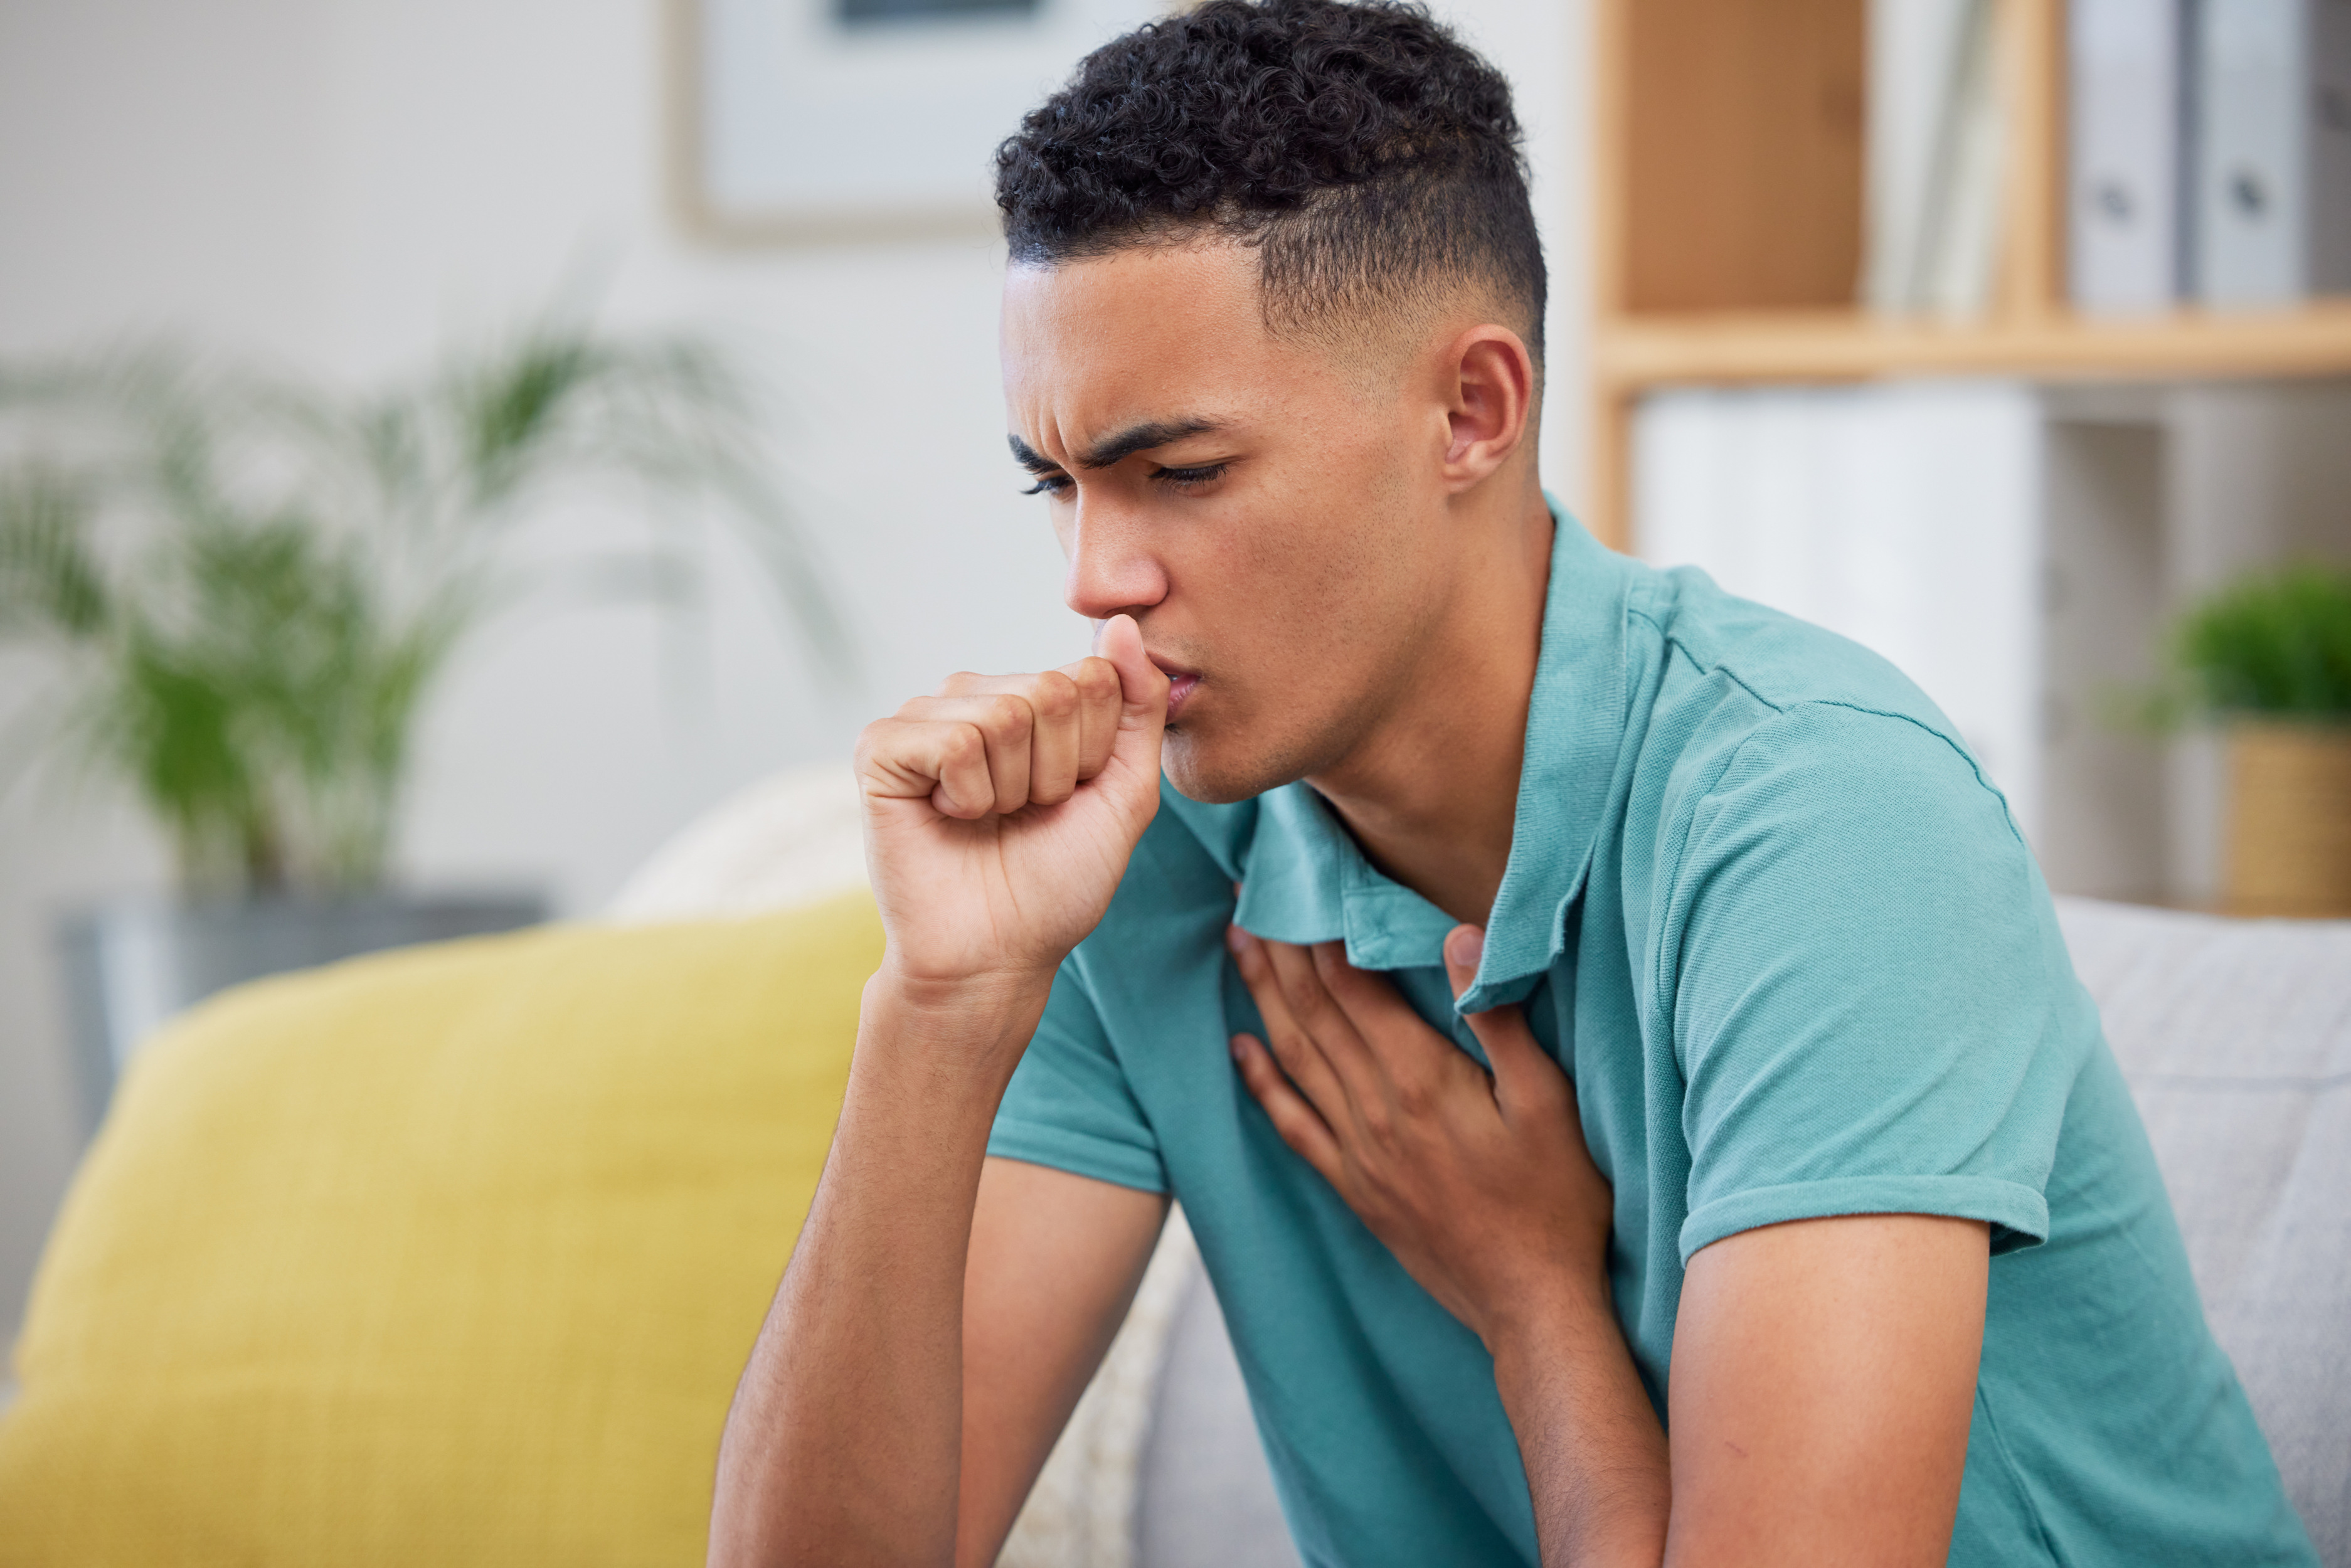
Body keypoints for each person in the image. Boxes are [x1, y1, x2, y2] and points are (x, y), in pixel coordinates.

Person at [708, 2, 2317, 1563]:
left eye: (1178, 473)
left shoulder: (1826, 823)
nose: (1092, 576)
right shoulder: (1127, 857)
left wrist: (1528, 1299)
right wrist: (939, 1004)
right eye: (1056, 483)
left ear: (1471, 411)